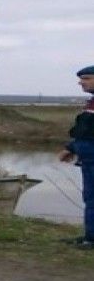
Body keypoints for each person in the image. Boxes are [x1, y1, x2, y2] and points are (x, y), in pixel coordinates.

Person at [59, 65, 94, 250]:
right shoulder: (91, 104)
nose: (81, 82)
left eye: (87, 78)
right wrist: (71, 148)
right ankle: (90, 237)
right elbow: (85, 132)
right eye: (81, 78)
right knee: (90, 198)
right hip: (88, 160)